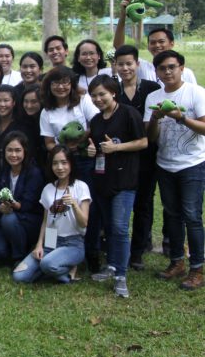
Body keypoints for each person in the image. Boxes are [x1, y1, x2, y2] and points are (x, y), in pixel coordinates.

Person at [144, 50, 205, 290]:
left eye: (172, 67)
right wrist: (156, 119)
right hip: (165, 163)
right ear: (157, 72)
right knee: (172, 215)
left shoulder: (196, 93)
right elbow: (151, 138)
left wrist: (181, 118)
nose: (167, 72)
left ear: (181, 68)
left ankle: (197, 268)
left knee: (192, 215)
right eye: (162, 68)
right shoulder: (154, 97)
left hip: (192, 163)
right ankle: (177, 262)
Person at [86, 75, 147, 298]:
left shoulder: (129, 113)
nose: (98, 99)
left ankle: (121, 275)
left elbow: (143, 142)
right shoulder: (96, 120)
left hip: (124, 181)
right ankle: (111, 266)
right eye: (93, 96)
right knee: (110, 226)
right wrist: (93, 152)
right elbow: (97, 146)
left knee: (120, 227)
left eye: (102, 94)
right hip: (103, 179)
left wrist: (117, 148)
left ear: (113, 92)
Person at [38, 65, 100, 271]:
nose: (61, 87)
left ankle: (92, 255)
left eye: (65, 82)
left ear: (72, 84)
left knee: (86, 206)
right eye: (56, 82)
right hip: (61, 163)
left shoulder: (83, 102)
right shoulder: (47, 111)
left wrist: (81, 140)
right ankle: (58, 248)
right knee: (60, 206)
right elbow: (47, 142)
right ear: (49, 86)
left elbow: (97, 124)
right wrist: (61, 150)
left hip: (84, 159)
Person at [13, 145, 90, 284]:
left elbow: (84, 222)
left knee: (46, 264)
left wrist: (73, 204)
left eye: (64, 162)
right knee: (19, 276)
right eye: (55, 163)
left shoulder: (81, 186)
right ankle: (57, 269)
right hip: (50, 241)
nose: (60, 167)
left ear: (71, 164)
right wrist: (39, 245)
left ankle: (67, 271)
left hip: (72, 243)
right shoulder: (48, 189)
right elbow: (45, 220)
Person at [114, 45, 161, 270]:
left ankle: (138, 252)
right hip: (120, 156)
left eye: (129, 63)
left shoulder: (152, 89)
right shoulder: (113, 90)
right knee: (121, 203)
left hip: (147, 155)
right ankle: (116, 248)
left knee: (144, 203)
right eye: (120, 64)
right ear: (115, 66)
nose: (125, 68)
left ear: (137, 65)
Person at [0, 131, 44, 266]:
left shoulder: (34, 173)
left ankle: (19, 257)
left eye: (18, 150)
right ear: (4, 152)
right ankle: (15, 247)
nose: (13, 155)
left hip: (28, 221)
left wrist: (13, 205)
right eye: (9, 150)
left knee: (9, 218)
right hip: (7, 221)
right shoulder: (4, 171)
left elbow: (28, 204)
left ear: (25, 151)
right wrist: (0, 207)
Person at [114, 0, 197, 85]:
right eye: (152, 42)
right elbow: (119, 47)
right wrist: (123, 16)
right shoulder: (143, 67)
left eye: (161, 41)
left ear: (171, 43)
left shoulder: (186, 73)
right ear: (148, 46)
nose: (157, 45)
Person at [0, 85, 25, 179]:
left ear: (14, 102)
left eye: (6, 100)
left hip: (16, 175)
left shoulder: (22, 124)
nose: (2, 104)